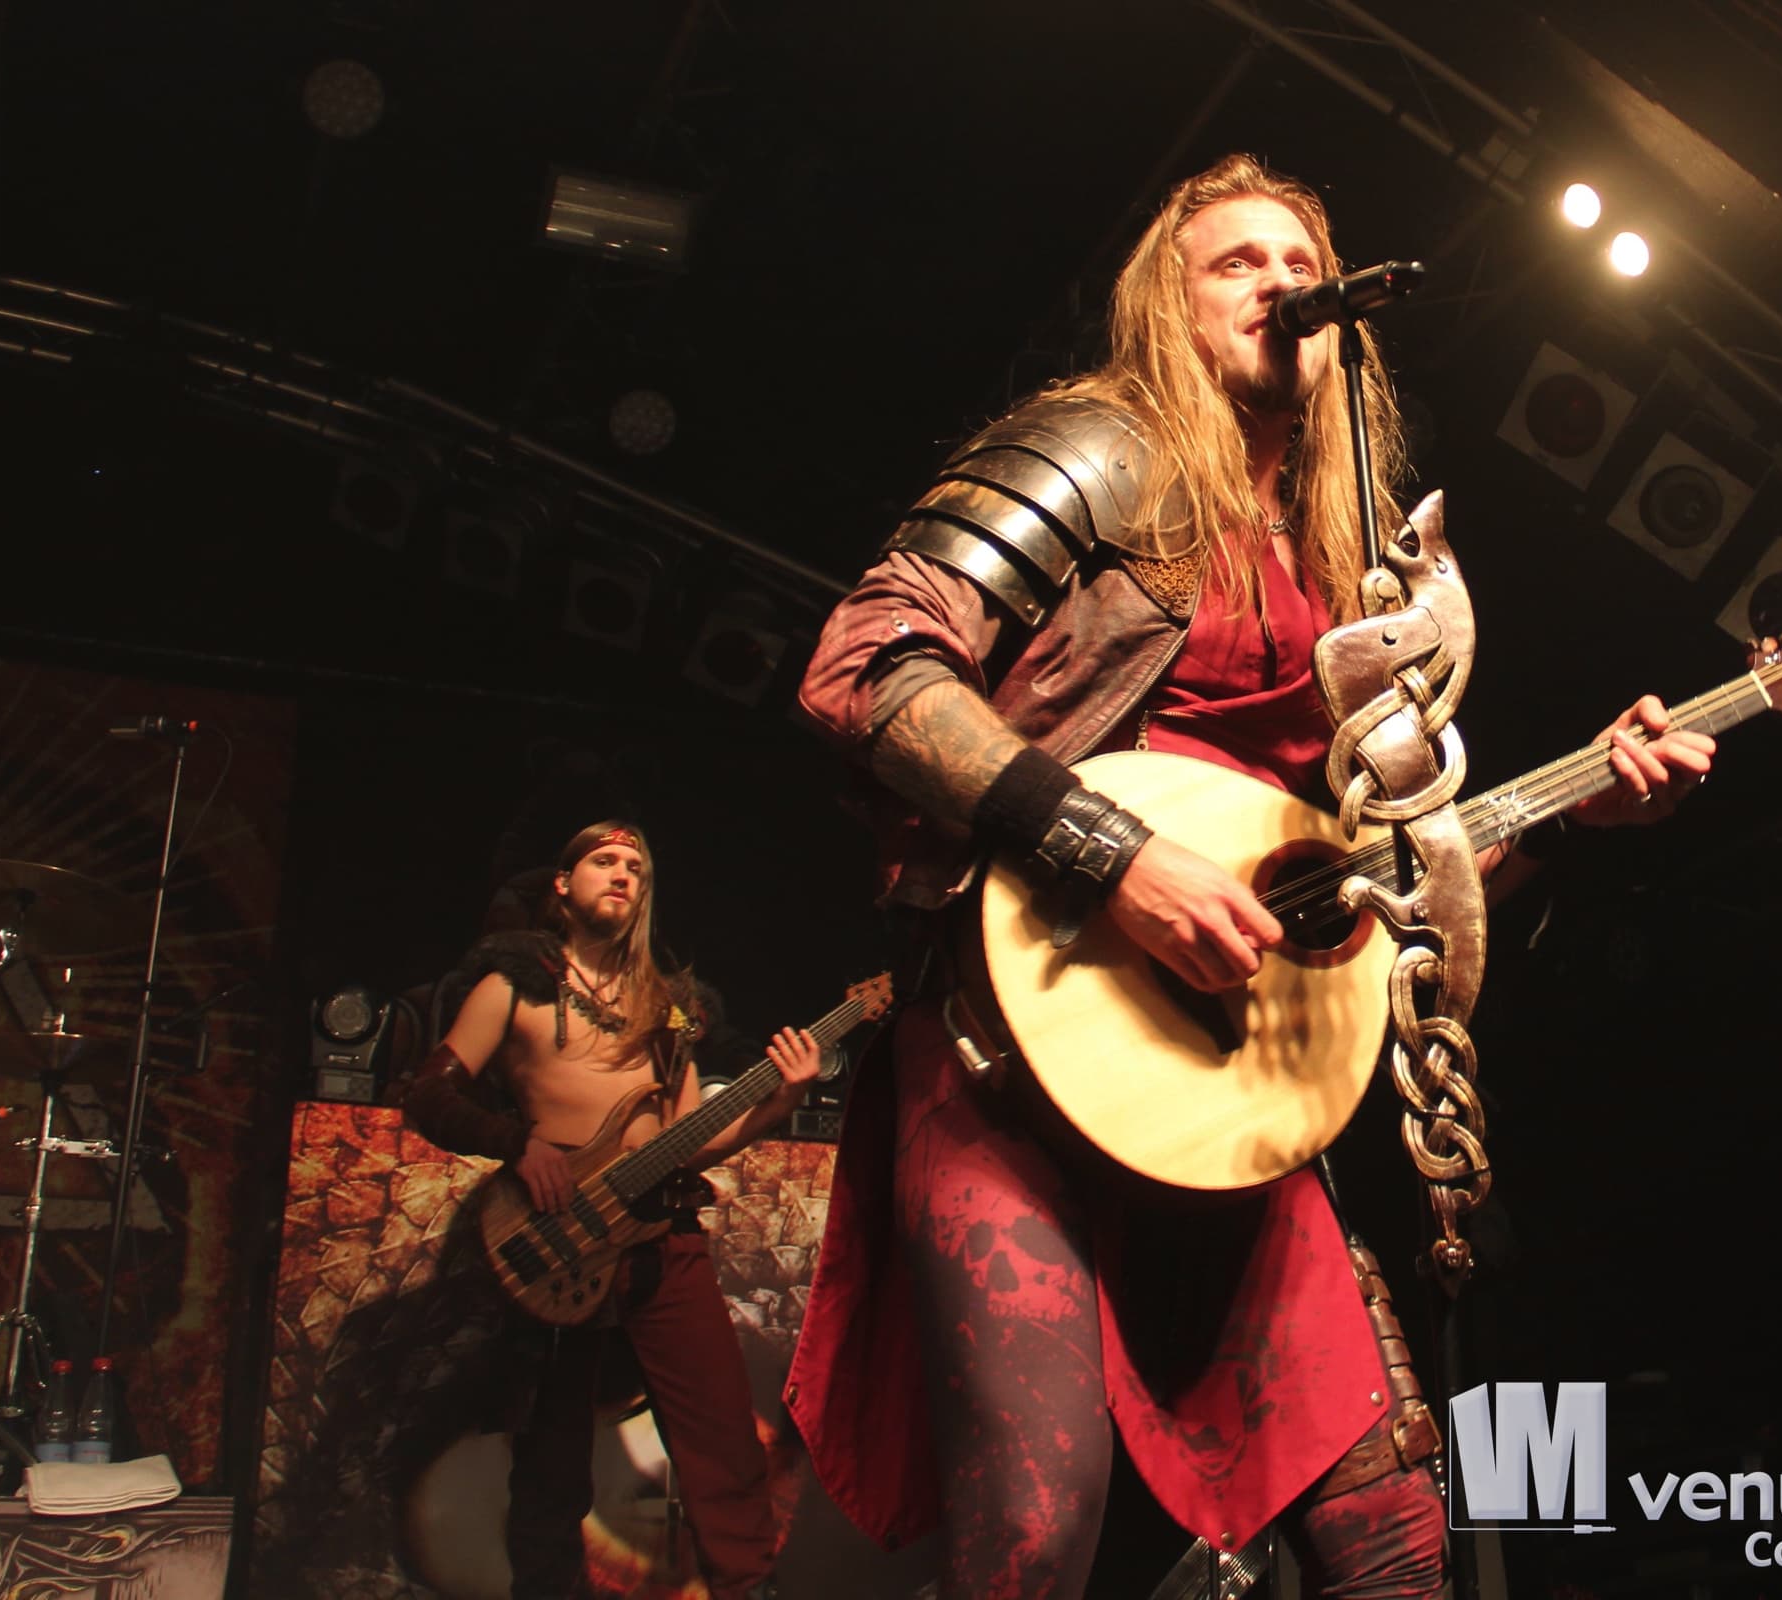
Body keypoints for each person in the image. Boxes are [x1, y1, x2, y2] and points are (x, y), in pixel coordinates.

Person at [785, 154, 1716, 1597]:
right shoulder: (1094, 452)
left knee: (1393, 1540)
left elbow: (1369, 886)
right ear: (1168, 307)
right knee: (1035, 1529)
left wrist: (1572, 814)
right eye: (1238, 262)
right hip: (1015, 1054)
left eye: (1300, 263)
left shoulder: (1363, 572)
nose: (1281, 283)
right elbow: (870, 668)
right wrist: (1115, 859)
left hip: (1228, 1098)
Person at [400, 820, 816, 1600]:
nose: (623, 874)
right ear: (564, 884)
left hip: (661, 1231)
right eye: (603, 861)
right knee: (552, 1453)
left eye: (635, 867)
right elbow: (428, 1093)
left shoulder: (673, 1009)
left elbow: (690, 1137)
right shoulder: (514, 984)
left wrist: (779, 1103)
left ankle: (746, 1587)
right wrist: (517, 1145)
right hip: (557, 1232)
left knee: (722, 1434)